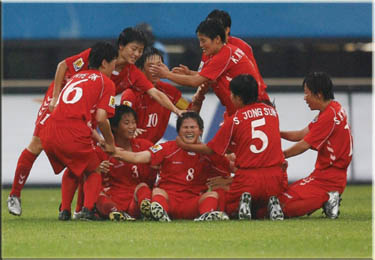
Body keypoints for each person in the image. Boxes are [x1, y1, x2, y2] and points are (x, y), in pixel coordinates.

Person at [7, 27, 183, 217]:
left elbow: (155, 92)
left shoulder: (131, 72)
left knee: (89, 158)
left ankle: (77, 209)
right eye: (133, 49)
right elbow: (62, 66)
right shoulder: (99, 56)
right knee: (37, 144)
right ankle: (15, 194)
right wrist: (55, 97)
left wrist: (176, 110)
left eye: (140, 50)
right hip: (62, 101)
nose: (137, 54)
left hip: (88, 109)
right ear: (121, 46)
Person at [176, 74, 287, 220]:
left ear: (238, 98)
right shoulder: (272, 112)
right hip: (275, 177)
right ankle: (269, 203)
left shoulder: (235, 119)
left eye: (231, 94)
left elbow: (211, 149)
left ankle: (243, 202)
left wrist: (186, 145)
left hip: (248, 178)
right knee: (261, 207)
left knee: (222, 201)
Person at [40, 41, 117, 220]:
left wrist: (99, 140)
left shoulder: (77, 77)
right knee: (94, 169)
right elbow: (101, 118)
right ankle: (88, 211)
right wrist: (110, 142)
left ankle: (64, 211)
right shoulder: (106, 82)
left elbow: (84, 121)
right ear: (105, 63)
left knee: (74, 166)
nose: (115, 67)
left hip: (50, 132)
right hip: (72, 132)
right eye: (114, 62)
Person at [113, 112, 232, 221]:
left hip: (192, 204)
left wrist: (227, 180)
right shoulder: (167, 148)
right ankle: (161, 214)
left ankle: (207, 216)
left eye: (192, 127)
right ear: (178, 131)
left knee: (213, 195)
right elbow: (137, 157)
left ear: (200, 131)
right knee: (157, 191)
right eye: (185, 127)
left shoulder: (208, 153)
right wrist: (113, 152)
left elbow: (231, 171)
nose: (188, 131)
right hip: (168, 200)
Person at [149, 19, 267, 118]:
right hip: (245, 110)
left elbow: (196, 82)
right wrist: (189, 73)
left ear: (217, 39)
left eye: (203, 40)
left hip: (249, 112)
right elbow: (205, 76)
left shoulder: (224, 54)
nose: (200, 45)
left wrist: (167, 75)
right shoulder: (222, 53)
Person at [275, 72, 353, 219]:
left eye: (307, 93)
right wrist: (275, 132)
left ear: (319, 94)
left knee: (280, 207)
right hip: (324, 176)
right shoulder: (333, 108)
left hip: (328, 180)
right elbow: (300, 134)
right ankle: (328, 199)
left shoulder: (328, 116)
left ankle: (328, 198)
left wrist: (279, 156)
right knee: (281, 200)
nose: (305, 98)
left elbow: (304, 144)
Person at [121, 46, 204, 144]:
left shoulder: (169, 90)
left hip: (151, 148)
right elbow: (122, 122)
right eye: (151, 66)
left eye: (159, 65)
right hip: (131, 147)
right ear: (139, 69)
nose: (156, 70)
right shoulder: (130, 94)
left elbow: (190, 112)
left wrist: (199, 99)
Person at [94, 105, 156, 221]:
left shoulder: (145, 145)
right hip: (113, 198)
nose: (132, 127)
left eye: (134, 122)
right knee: (98, 197)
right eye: (127, 123)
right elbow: (90, 180)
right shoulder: (100, 151)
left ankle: (146, 210)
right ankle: (116, 213)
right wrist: (97, 170)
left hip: (136, 200)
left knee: (143, 187)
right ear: (114, 127)